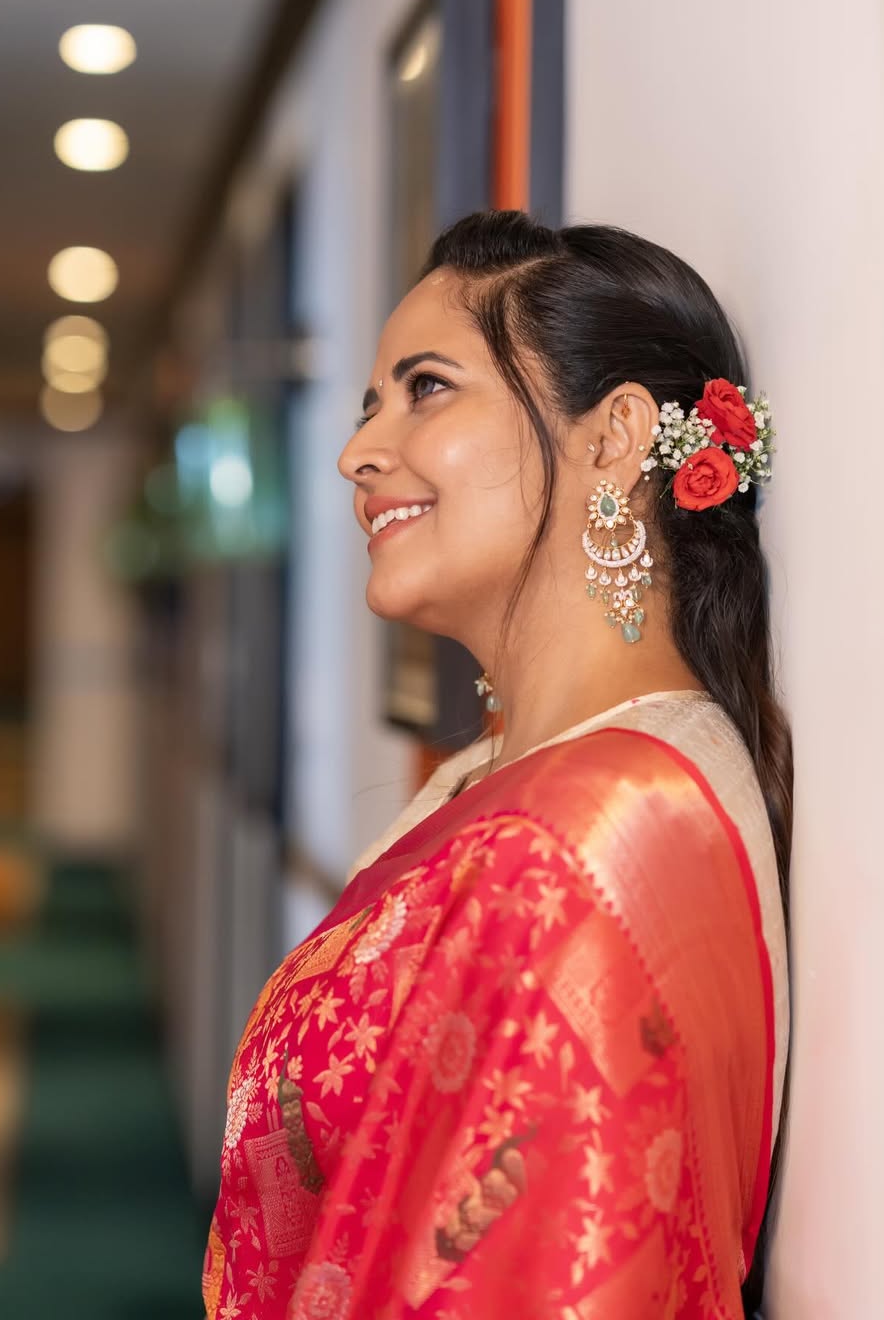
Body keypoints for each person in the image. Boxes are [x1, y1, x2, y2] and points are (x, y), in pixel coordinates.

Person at [203, 210, 791, 1319]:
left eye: (426, 388)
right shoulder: (505, 779)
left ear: (613, 439)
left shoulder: (602, 826)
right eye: (370, 402)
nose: (357, 453)